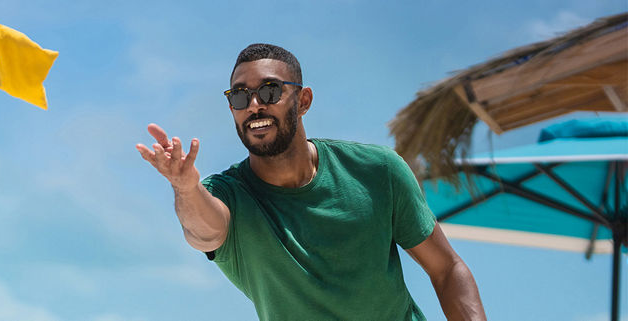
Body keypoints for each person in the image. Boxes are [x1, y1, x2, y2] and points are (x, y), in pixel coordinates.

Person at [135, 44, 485, 320]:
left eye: (269, 91)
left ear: (303, 101)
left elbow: (447, 269)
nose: (254, 105)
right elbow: (205, 232)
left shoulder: (378, 171)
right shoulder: (228, 195)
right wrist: (185, 187)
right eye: (239, 96)